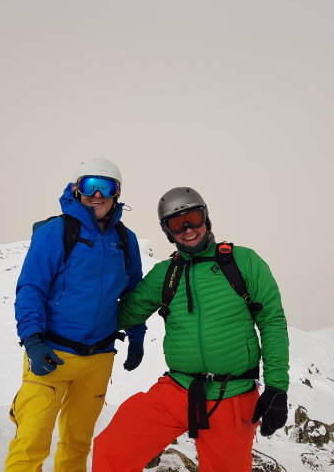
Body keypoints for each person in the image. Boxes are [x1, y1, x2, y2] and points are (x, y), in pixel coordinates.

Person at [93, 187, 289, 472]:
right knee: (112, 449)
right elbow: (122, 315)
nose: (187, 229)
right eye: (176, 224)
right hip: (178, 388)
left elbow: (272, 322)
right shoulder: (166, 273)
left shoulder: (244, 262)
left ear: (205, 217)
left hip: (232, 393)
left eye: (193, 218)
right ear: (167, 232)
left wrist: (277, 388)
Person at [4, 158, 146, 472]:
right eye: (90, 186)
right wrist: (33, 341)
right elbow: (31, 288)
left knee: (77, 444)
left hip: (99, 357)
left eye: (106, 187)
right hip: (52, 353)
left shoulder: (125, 239)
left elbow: (133, 293)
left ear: (117, 193)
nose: (97, 195)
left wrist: (136, 336)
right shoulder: (56, 231)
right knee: (31, 442)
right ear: (76, 189)